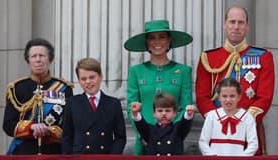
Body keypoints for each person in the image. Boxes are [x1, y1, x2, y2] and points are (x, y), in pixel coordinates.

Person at [195, 6, 275, 155]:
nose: (236, 27)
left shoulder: (263, 56)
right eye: (232, 22)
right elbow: (202, 96)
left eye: (241, 22)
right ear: (225, 25)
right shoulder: (208, 58)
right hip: (216, 132)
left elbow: (265, 97)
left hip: (249, 131)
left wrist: (243, 121)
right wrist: (219, 122)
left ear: (247, 26)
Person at [124, 19, 193, 155]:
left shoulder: (183, 71)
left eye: (162, 37)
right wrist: (144, 134)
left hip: (173, 142)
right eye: (152, 38)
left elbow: (185, 106)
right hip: (144, 140)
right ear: (147, 43)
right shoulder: (136, 71)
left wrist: (173, 134)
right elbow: (131, 107)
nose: (157, 42)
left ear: (169, 41)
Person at [3, 38, 74, 154]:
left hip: (54, 152)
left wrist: (50, 131)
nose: (38, 60)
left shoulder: (64, 88)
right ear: (28, 61)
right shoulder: (17, 88)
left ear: (50, 60)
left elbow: (70, 125)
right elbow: (8, 125)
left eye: (42, 56)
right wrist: (30, 127)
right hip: (24, 152)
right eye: (33, 56)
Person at [62, 58, 126, 154]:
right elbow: (67, 138)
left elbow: (120, 137)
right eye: (83, 79)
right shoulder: (72, 103)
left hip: (105, 156)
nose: (88, 81)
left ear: (100, 77)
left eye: (92, 77)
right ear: (79, 81)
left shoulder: (113, 104)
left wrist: (113, 157)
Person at [199, 78, 258, 156]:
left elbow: (253, 144)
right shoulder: (212, 116)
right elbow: (203, 142)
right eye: (224, 96)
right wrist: (212, 156)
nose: (228, 100)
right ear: (219, 97)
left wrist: (242, 158)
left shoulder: (247, 117)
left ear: (239, 97)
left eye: (232, 96)